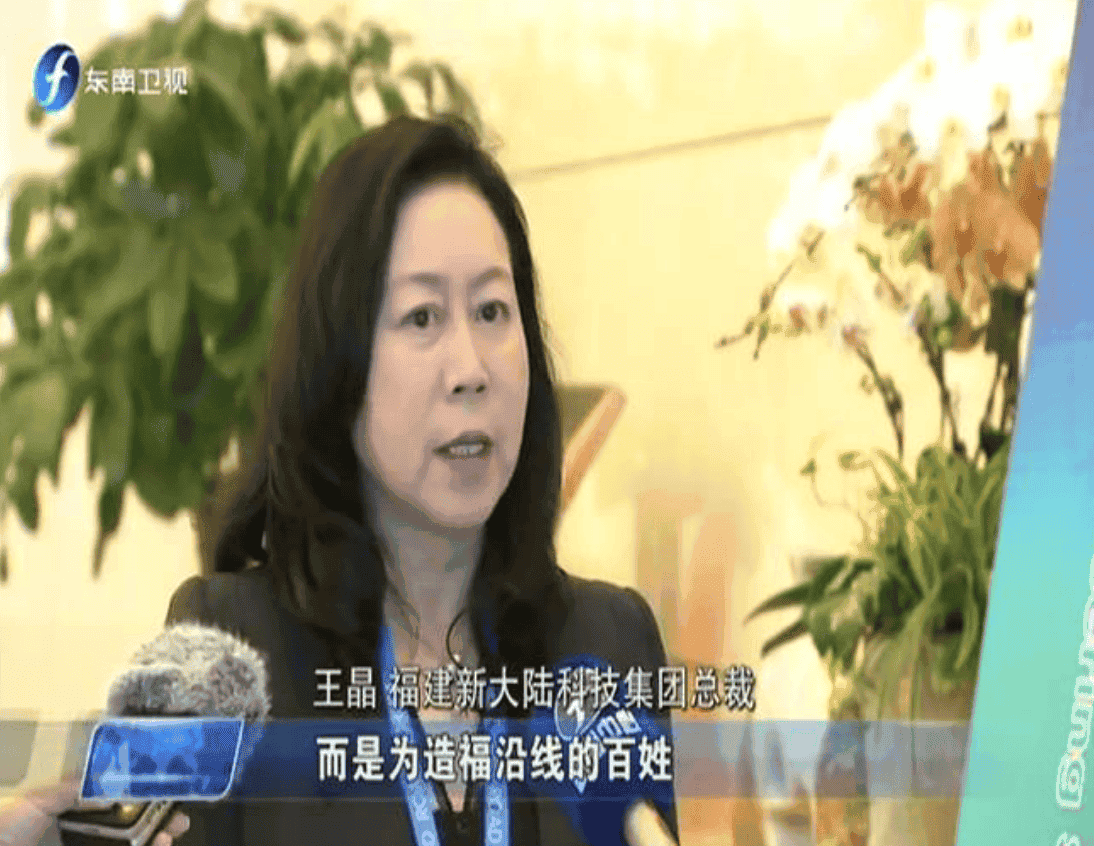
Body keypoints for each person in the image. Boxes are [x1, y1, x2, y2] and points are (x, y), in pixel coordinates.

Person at [166, 115, 679, 845]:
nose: (471, 368)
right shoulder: (227, 649)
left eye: (493, 310)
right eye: (422, 316)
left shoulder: (608, 643)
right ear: (339, 362)